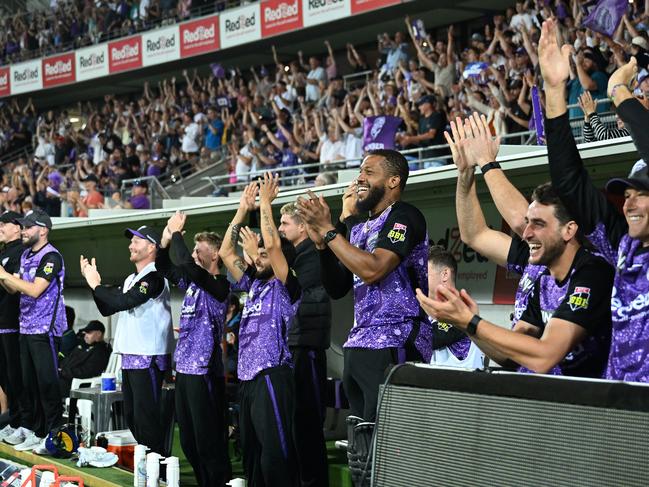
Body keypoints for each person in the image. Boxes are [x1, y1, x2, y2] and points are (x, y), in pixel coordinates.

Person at [417, 111, 613, 378]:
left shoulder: (592, 271)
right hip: (536, 396)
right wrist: (465, 174)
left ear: (570, 230)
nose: (527, 232)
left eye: (539, 224)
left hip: (585, 405)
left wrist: (487, 162)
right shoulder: (541, 276)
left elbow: (544, 355)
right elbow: (511, 356)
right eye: (529, 223)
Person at [538, 19, 649, 382]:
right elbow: (570, 182)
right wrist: (555, 93)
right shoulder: (623, 248)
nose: (629, 204)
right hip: (618, 407)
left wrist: (619, 86)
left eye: (641, 195)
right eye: (626, 195)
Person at [297, 149, 431, 422]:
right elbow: (337, 287)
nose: (360, 178)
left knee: (388, 438)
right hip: (359, 342)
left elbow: (373, 270)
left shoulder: (405, 215)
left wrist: (330, 231)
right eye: (359, 172)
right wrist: (323, 247)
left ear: (393, 181)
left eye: (369, 172)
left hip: (396, 339)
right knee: (362, 441)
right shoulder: (360, 228)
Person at [218, 175, 301, 487]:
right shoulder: (252, 283)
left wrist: (266, 204)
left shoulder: (284, 285)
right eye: (258, 254)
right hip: (247, 380)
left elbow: (275, 245)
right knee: (250, 453)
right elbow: (226, 252)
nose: (257, 257)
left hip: (272, 376)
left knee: (274, 455)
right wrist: (242, 211)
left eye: (264, 255)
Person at [80, 225, 173, 455]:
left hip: (148, 357)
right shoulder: (133, 277)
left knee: (147, 419)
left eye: (137, 241)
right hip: (131, 356)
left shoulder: (155, 276)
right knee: (132, 418)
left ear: (152, 246)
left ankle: (158, 471)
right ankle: (145, 469)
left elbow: (124, 301)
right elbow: (107, 307)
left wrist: (96, 285)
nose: (131, 245)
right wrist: (95, 285)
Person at [156, 212, 231, 487]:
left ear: (215, 257)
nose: (195, 254)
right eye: (194, 249)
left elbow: (188, 266)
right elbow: (165, 267)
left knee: (208, 439)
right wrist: (165, 242)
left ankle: (218, 482)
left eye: (201, 251)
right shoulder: (192, 284)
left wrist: (177, 233)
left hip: (205, 373)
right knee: (188, 440)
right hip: (184, 370)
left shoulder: (219, 286)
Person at [0, 209, 67, 453]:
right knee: (29, 384)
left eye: (29, 227)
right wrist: (4, 278)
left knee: (47, 385)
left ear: (44, 230)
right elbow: (13, 289)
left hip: (45, 331)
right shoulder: (27, 254)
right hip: (26, 328)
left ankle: (52, 434)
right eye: (23, 227)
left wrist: (5, 275)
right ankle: (34, 430)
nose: (24, 230)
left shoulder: (51, 257)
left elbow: (35, 290)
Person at [278, 202, 331, 487]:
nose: (281, 229)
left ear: (301, 226)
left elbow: (296, 290)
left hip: (308, 346)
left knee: (308, 423)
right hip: (297, 344)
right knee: (299, 423)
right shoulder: (298, 254)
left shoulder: (310, 254)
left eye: (285, 223)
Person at [427, 245, 484, 368]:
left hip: (463, 385)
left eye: (425, 273)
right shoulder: (429, 313)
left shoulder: (463, 309)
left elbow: (431, 338)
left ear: (445, 274)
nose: (419, 277)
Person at [0, 212, 29, 443]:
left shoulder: (21, 252)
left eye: (4, 223)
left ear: (18, 228)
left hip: (12, 322)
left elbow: (17, 286)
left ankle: (23, 423)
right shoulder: (4, 252)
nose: (0, 227)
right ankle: (13, 420)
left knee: (15, 376)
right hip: (1, 322)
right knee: (5, 377)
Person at [58, 320, 112, 397]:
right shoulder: (83, 346)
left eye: (89, 333)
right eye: (85, 333)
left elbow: (86, 371)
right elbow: (68, 361)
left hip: (79, 385)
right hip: (66, 378)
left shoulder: (101, 352)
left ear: (99, 334)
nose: (86, 335)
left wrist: (62, 372)